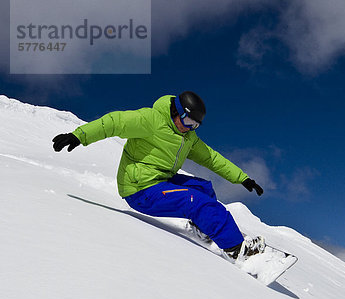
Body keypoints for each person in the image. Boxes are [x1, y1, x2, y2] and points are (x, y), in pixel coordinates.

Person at [52, 91, 266, 261]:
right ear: (177, 112)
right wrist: (78, 136)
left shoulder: (187, 137)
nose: (190, 128)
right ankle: (237, 250)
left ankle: (206, 230)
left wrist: (242, 178)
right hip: (139, 189)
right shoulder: (150, 120)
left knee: (203, 188)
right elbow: (114, 122)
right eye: (189, 122)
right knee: (196, 201)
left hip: (160, 180)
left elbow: (212, 158)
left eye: (195, 125)